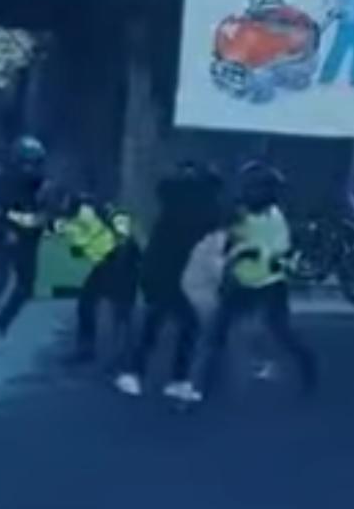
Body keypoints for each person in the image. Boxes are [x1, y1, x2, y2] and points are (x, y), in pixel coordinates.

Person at [193, 161, 317, 400]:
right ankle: (204, 385)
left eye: (258, 188)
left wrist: (252, 254)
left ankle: (309, 370)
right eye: (250, 187)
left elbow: (276, 251)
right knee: (216, 333)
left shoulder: (274, 218)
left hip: (270, 284)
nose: (251, 192)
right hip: (241, 283)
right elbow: (222, 236)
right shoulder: (241, 213)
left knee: (282, 332)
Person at [115, 162, 223, 400]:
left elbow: (165, 187)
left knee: (160, 321)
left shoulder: (176, 200)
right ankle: (145, 374)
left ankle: (141, 373)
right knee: (174, 322)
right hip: (166, 272)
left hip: (161, 270)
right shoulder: (201, 210)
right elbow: (214, 222)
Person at [0, 135, 48, 354]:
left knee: (27, 286)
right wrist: (4, 230)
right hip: (2, 239)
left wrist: (43, 224)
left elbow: (42, 212)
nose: (29, 168)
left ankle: (1, 323)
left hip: (28, 240)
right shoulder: (3, 183)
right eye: (26, 163)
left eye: (34, 163)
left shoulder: (41, 184)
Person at [61, 196, 141, 364]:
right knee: (88, 303)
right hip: (109, 262)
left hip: (123, 263)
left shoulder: (97, 212)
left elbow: (122, 234)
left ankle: (124, 356)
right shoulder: (85, 215)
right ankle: (88, 349)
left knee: (121, 311)